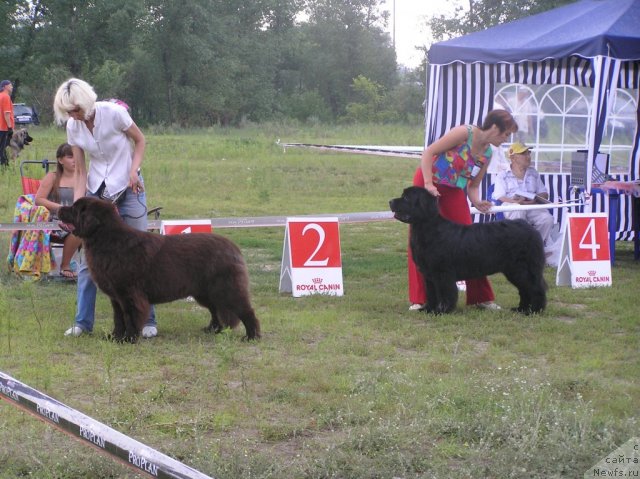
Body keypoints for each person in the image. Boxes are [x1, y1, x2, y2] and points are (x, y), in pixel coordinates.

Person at [53, 78, 158, 338]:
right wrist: (78, 207)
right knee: (89, 258)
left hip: (129, 186)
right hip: (98, 191)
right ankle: (83, 322)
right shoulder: (73, 127)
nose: (73, 115)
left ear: (86, 101)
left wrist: (134, 171)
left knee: (141, 253)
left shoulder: (114, 114)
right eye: (68, 112)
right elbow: (80, 170)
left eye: (76, 109)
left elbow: (140, 141)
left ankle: (148, 322)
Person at [408, 109, 518, 311]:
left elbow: (473, 185)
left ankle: (481, 297)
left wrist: (477, 202)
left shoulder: (488, 153)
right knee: (422, 241)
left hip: (453, 190)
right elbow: (429, 153)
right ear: (495, 127)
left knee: (471, 243)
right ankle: (421, 299)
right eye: (506, 134)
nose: (506, 139)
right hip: (428, 183)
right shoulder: (463, 133)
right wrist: (427, 184)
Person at [492, 142, 558, 265]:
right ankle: (518, 251)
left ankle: (533, 250)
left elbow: (544, 193)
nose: (528, 156)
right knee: (518, 210)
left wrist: (536, 199)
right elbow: (499, 196)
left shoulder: (533, 173)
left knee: (547, 219)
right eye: (523, 153)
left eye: (528, 153)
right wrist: (516, 202)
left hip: (531, 205)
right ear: (513, 157)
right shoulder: (502, 175)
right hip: (512, 206)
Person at [35, 143, 83, 278]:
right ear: (60, 160)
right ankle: (65, 265)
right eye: (70, 157)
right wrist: (61, 208)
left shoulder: (84, 177)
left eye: (76, 157)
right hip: (53, 221)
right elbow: (39, 199)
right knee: (79, 229)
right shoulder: (52, 177)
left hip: (76, 219)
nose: (74, 160)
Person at [0, 80, 14, 166]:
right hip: (3, 127)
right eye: (10, 85)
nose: (12, 87)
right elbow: (6, 113)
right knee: (2, 148)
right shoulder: (5, 97)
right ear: (5, 86)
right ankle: (4, 166)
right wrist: (9, 127)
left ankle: (5, 164)